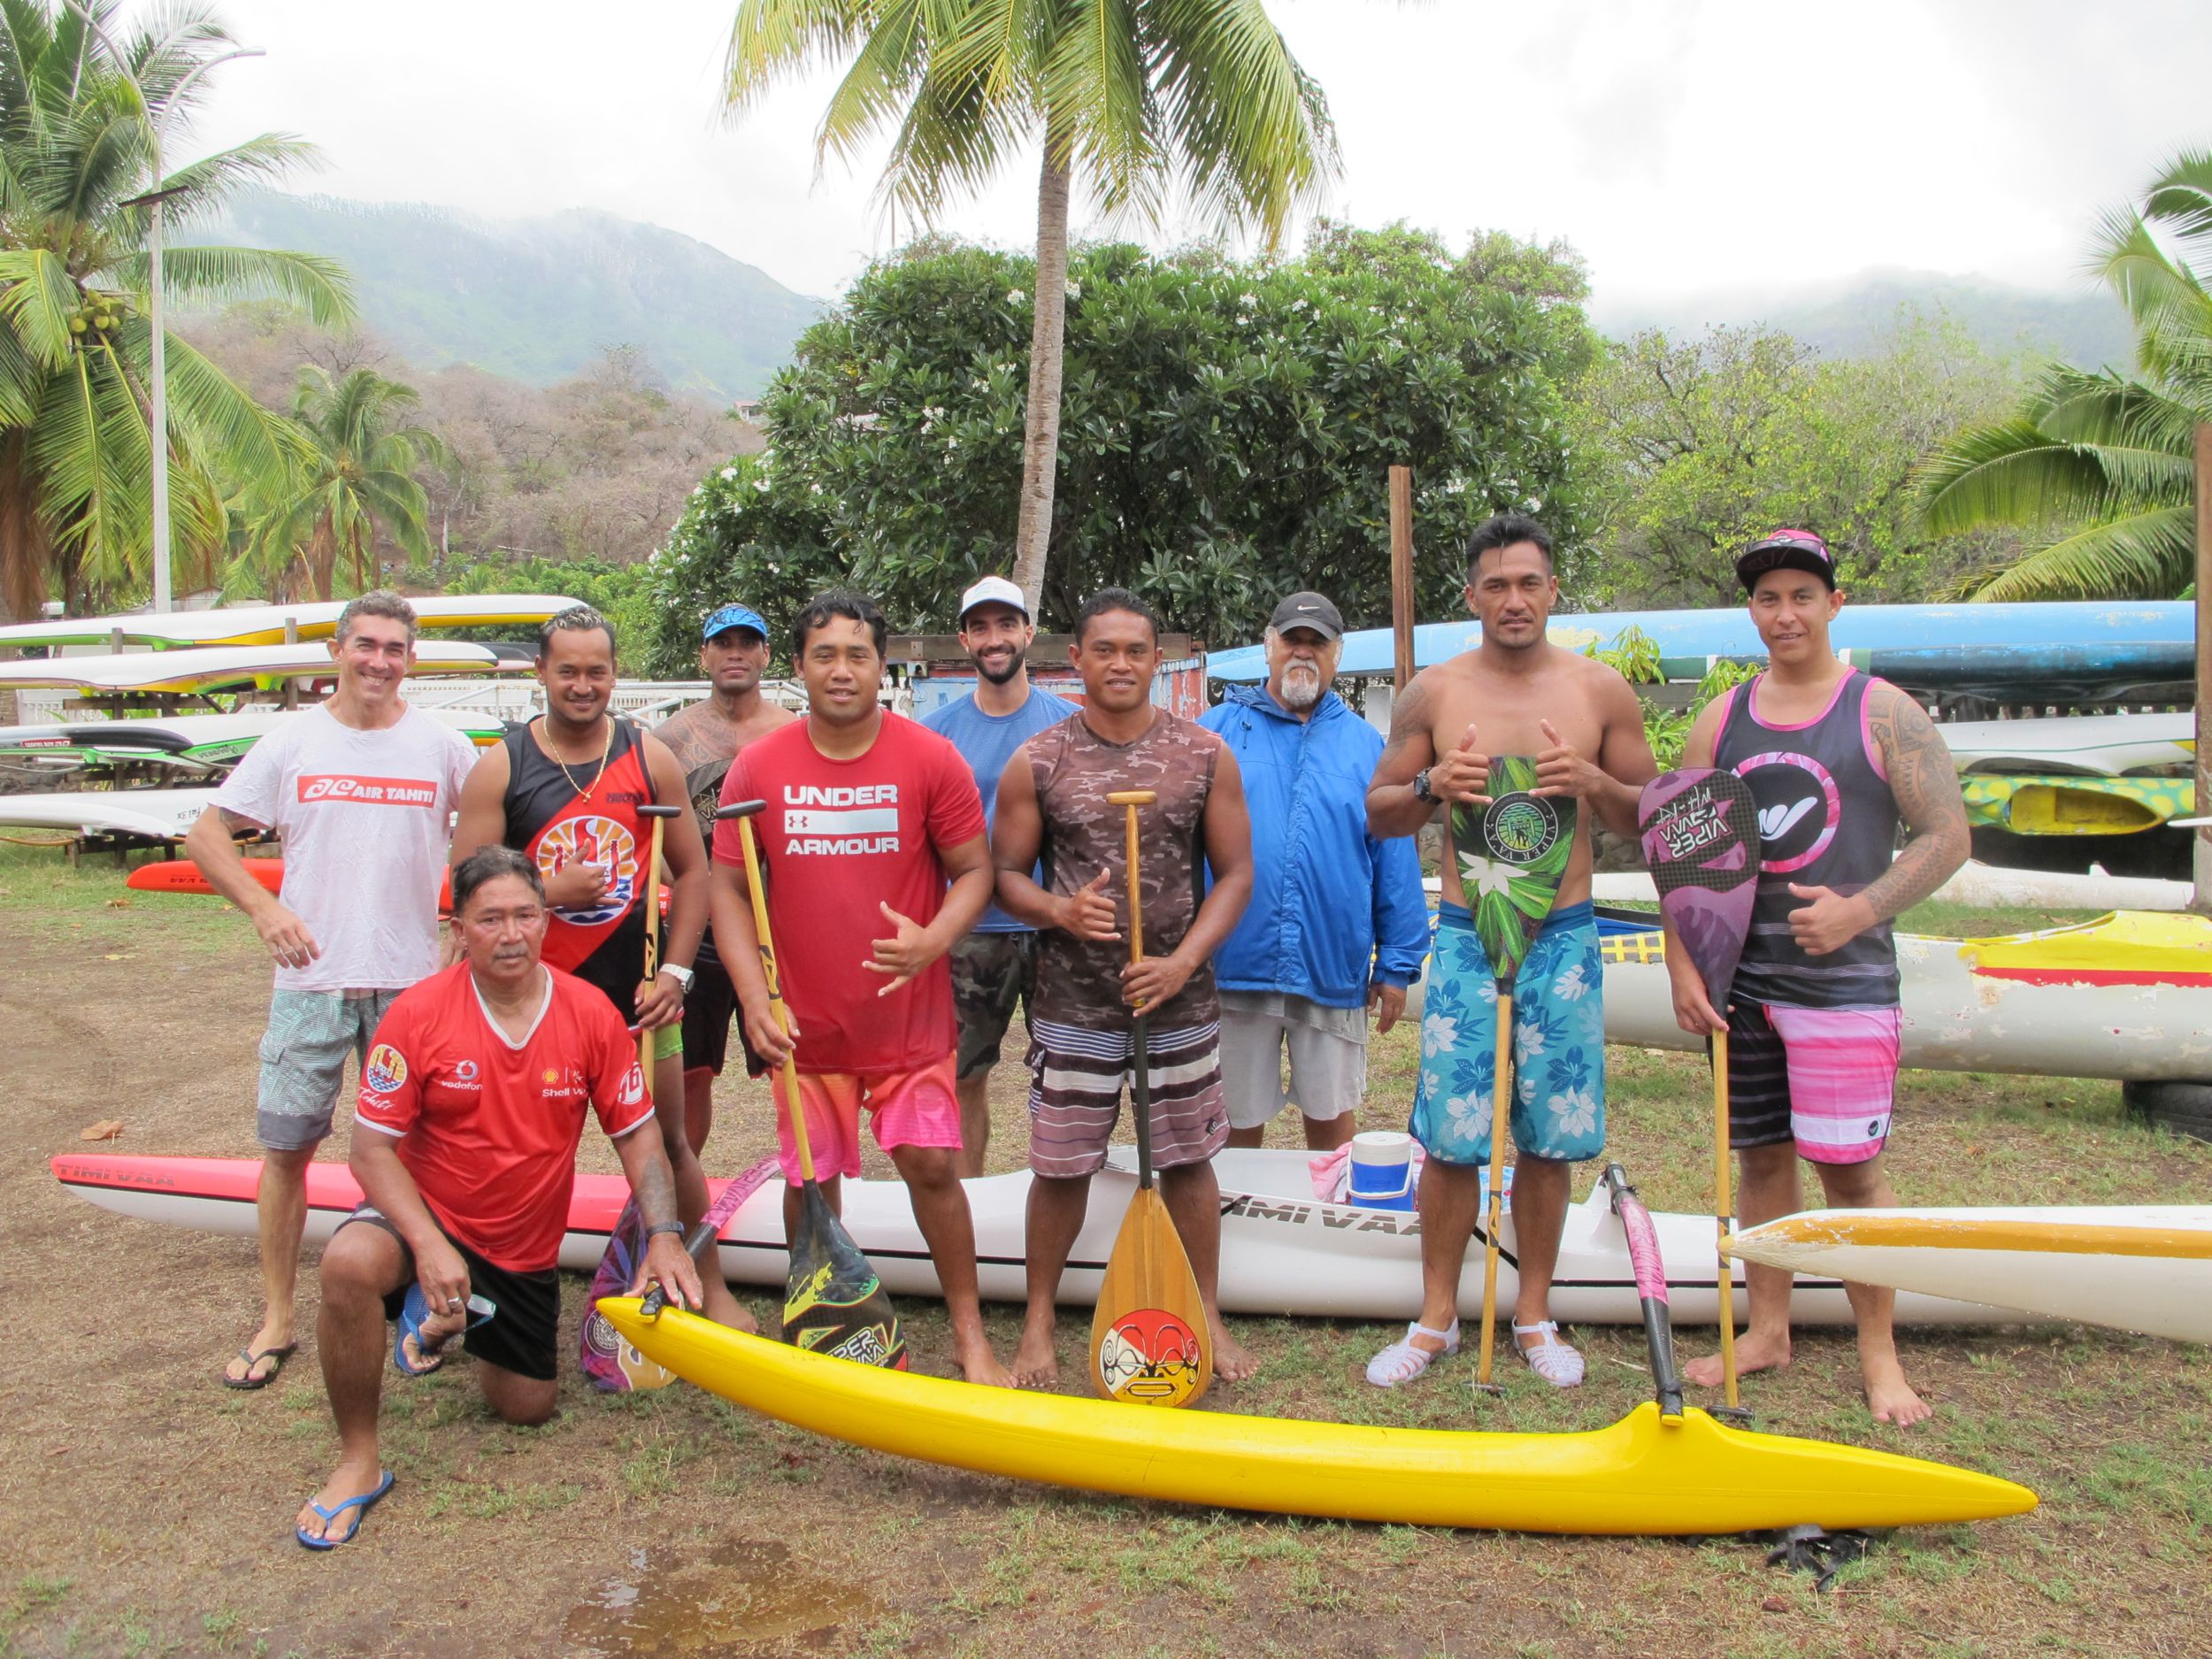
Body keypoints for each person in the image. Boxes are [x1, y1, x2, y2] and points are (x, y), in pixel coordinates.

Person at [293, 847, 704, 1548]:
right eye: (491, 919)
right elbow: (369, 1151)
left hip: (521, 1248)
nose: (511, 933)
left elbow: (640, 1140)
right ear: (459, 928)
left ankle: (445, 1316)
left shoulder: (590, 1014)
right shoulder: (419, 1014)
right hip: (430, 1219)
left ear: (546, 921)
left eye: (525, 915)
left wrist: (664, 1232)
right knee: (349, 1262)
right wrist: (425, 1243)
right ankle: (359, 1459)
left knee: (526, 1408)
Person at [1671, 529, 1969, 1426]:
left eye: (1802, 595)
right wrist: (1685, 967)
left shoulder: (1883, 713)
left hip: (1841, 984)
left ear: (1834, 604)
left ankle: (1879, 1356)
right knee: (1760, 1160)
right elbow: (1685, 855)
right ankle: (1766, 1331)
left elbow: (1947, 837)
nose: (1785, 613)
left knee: (1850, 1171)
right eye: (1768, 599)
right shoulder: (1720, 720)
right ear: (1751, 612)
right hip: (1738, 981)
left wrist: (1858, 909)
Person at [1363, 513, 1658, 1390]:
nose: (1513, 599)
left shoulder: (1600, 691)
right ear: (1471, 597)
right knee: (1452, 1137)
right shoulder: (1433, 692)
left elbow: (1651, 821)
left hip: (1560, 940)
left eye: (1529, 582)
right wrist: (1428, 785)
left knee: (1551, 1138)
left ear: (1552, 590)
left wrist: (1596, 784)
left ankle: (1533, 1315)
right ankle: (1433, 1320)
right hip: (1464, 938)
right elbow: (1376, 809)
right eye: (1496, 585)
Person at [709, 589, 1011, 1386]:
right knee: (812, 1183)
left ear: (884, 664)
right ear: (800, 665)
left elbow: (975, 871)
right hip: (805, 1028)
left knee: (932, 1168)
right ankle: (816, 1318)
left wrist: (934, 940)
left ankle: (971, 1334)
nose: (841, 671)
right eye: (824, 655)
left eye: (858, 654)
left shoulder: (928, 758)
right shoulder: (758, 767)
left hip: (908, 1027)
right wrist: (753, 998)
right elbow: (729, 889)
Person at [185, 591, 478, 1392]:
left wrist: (468, 915)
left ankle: (427, 1296)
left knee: (427, 1149)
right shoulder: (293, 742)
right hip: (310, 981)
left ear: (412, 659)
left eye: (394, 648)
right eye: (365, 645)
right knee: (288, 1149)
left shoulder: (443, 746)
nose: (379, 660)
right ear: (338, 652)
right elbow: (207, 836)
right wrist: (265, 906)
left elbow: (489, 830)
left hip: (410, 987)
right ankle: (278, 1314)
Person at [449, 605, 750, 1330]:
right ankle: (479, 1289)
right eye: (568, 671)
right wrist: (548, 892)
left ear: (615, 673)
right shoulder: (504, 764)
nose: (584, 685)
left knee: (672, 1145)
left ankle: (709, 1284)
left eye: (598, 670)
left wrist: (675, 975)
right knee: (507, 1154)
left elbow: (696, 873)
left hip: (640, 997)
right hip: (534, 1004)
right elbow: (464, 891)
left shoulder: (649, 757)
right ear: (541, 674)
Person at [993, 588, 1257, 1388]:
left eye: (1134, 650)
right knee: (1062, 1166)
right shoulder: (1038, 759)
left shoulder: (1203, 753)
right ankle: (1038, 1322)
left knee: (1187, 1161)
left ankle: (1205, 1311)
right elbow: (1006, 876)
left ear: (1156, 661)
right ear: (1074, 659)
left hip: (1176, 1001)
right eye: (1102, 649)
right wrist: (1059, 910)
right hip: (1073, 1005)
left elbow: (1237, 873)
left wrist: (1182, 962)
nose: (1119, 663)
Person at [1201, 591, 1427, 1152]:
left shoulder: (1367, 746)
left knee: (1331, 1125)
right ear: (1268, 644)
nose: (1302, 653)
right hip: (1232, 965)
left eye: (1317, 644)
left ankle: (1324, 1219)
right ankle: (1233, 1225)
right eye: (1291, 641)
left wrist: (1396, 964)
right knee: (1233, 1123)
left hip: (1331, 967)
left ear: (1337, 654)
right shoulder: (1215, 733)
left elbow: (1393, 856)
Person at [920, 576, 1079, 1177]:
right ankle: (970, 1213)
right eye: (981, 627)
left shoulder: (1070, 726)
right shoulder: (937, 734)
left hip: (1052, 923)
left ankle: (1053, 1202)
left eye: (1006, 625)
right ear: (964, 639)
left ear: (1028, 633)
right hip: (968, 927)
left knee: (1063, 1079)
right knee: (963, 1076)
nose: (995, 639)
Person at [651, 603, 795, 1158]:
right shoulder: (670, 739)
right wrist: (701, 891)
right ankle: (685, 1193)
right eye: (722, 643)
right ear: (704, 654)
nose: (735, 652)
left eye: (747, 642)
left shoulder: (794, 733)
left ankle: (811, 1177)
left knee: (792, 1059)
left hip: (779, 927)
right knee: (691, 1070)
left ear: (765, 654)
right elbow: (656, 838)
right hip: (699, 930)